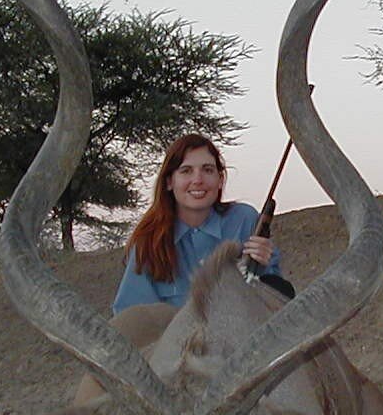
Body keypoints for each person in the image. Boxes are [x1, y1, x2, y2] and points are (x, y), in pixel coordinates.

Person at [113, 133, 289, 314]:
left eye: (207, 170)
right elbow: (131, 318)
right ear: (169, 182)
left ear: (220, 180)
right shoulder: (148, 242)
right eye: (186, 171)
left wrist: (264, 264)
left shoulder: (245, 219)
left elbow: (279, 299)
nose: (198, 180)